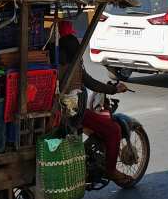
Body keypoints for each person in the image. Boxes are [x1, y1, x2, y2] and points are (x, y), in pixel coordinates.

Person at [51, 20, 133, 186]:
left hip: (63, 113)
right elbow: (90, 83)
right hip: (74, 115)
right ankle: (111, 170)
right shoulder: (74, 66)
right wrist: (114, 89)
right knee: (113, 130)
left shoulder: (51, 62)